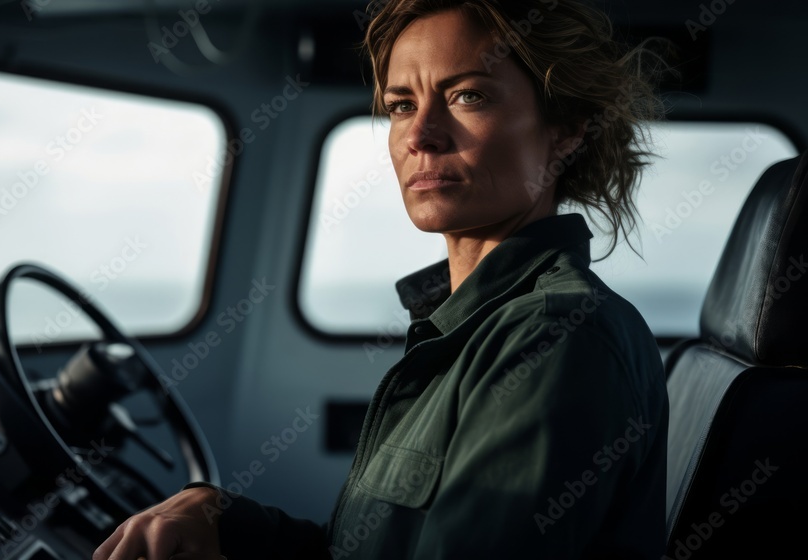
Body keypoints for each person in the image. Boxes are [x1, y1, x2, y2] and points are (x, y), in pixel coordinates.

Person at [94, 0, 669, 558]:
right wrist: (227, 520)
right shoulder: (470, 324)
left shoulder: (556, 337)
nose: (420, 135)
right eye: (400, 105)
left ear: (566, 130)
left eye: (468, 95)